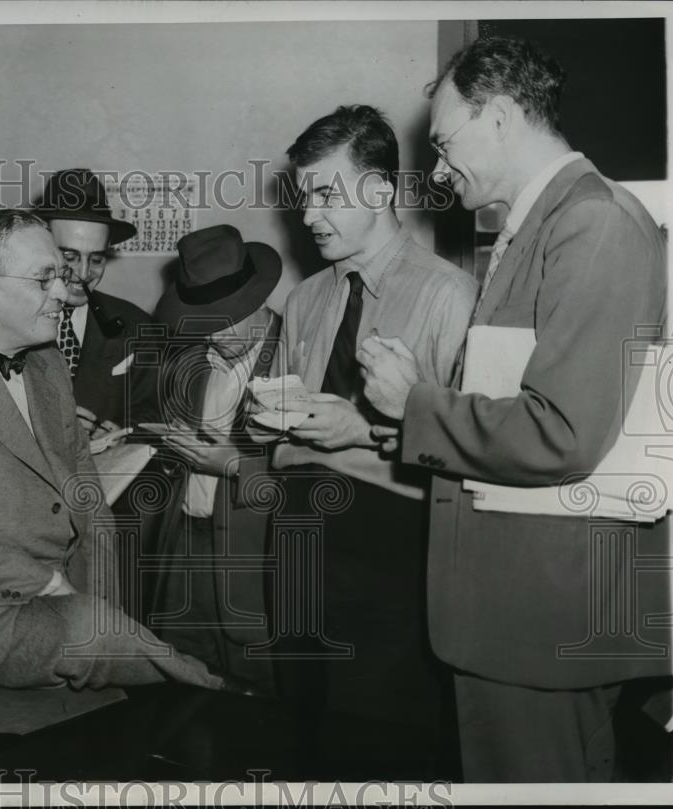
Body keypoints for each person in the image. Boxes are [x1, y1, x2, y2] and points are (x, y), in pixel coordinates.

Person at [356, 36, 670, 782]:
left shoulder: (592, 222)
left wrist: (417, 408)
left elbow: (564, 432)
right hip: (517, 618)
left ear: (498, 117)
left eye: (443, 142)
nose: (436, 168)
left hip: (543, 622)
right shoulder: (545, 222)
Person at [0, 208, 223, 692]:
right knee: (96, 637)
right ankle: (216, 693)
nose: (63, 291)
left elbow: (89, 505)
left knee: (100, 630)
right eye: (44, 278)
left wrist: (99, 601)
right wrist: (54, 590)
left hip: (51, 599)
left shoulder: (47, 363)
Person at [262, 105, 477, 772]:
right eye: (305, 198)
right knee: (299, 728)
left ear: (382, 191)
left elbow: (474, 448)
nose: (310, 216)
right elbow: (281, 415)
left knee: (379, 738)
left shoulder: (451, 296)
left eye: (327, 194)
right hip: (294, 526)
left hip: (389, 535)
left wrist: (371, 430)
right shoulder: (304, 300)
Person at [147, 224, 282, 691]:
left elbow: (309, 487)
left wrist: (232, 465)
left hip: (253, 564)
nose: (210, 337)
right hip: (185, 548)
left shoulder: (301, 356)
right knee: (179, 683)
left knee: (254, 702)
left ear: (256, 301)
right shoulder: (191, 357)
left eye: (222, 322)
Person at [35, 168, 160, 436]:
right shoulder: (3, 321)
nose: (82, 273)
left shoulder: (137, 326)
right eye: (68, 256)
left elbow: (151, 413)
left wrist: (120, 435)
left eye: (96, 259)